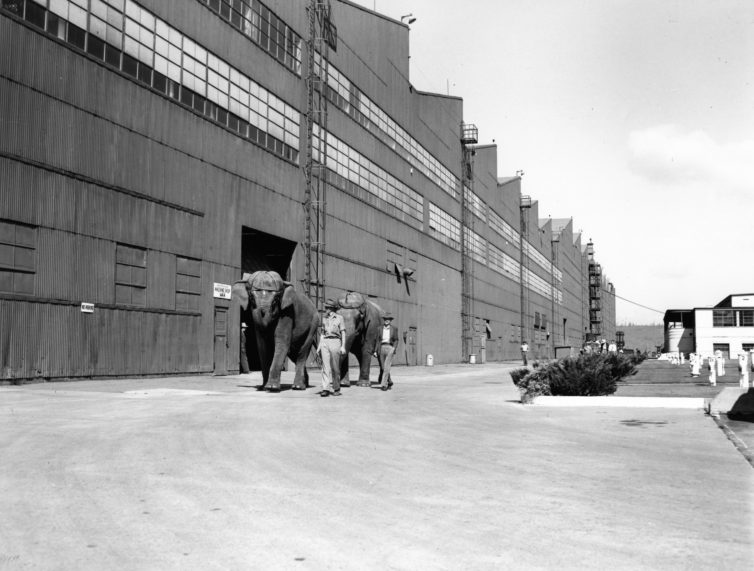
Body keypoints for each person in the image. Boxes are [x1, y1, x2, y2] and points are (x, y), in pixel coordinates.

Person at [316, 299, 346, 397]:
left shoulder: (339, 318)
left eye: (327, 307)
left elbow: (343, 332)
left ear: (331, 308)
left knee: (335, 367)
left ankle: (336, 388)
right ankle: (326, 389)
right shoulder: (324, 318)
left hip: (335, 341)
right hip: (325, 342)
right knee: (325, 367)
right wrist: (319, 347)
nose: (325, 309)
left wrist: (343, 346)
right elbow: (322, 334)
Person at [377, 313, 399, 391]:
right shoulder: (379, 328)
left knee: (386, 366)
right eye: (385, 319)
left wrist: (394, 348)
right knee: (383, 367)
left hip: (390, 347)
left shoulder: (394, 329)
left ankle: (384, 385)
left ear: (390, 321)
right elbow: (377, 340)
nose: (386, 320)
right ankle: (389, 381)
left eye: (388, 319)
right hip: (381, 347)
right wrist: (375, 351)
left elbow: (396, 339)